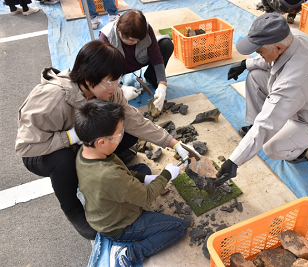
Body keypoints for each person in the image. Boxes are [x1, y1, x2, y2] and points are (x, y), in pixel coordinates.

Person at [15, 40, 197, 240]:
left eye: (118, 80)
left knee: (125, 131)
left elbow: (134, 120)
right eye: (111, 81)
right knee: (64, 161)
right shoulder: (54, 99)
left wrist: (173, 143)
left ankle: (105, 169)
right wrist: (69, 137)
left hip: (84, 142)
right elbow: (26, 147)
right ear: (88, 77)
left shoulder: (108, 92)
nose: (116, 87)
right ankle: (73, 209)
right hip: (43, 152)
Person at [214, 13, 308, 186]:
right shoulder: (293, 37)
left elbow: (266, 123)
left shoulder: (293, 82)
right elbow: (271, 58)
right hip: (299, 98)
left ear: (278, 48)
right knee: (255, 76)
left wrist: (233, 162)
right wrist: (245, 64)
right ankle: (255, 129)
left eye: (259, 50)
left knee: (273, 148)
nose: (257, 52)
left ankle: (300, 149)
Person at [74, 99, 187, 266]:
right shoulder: (109, 175)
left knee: (143, 169)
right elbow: (146, 197)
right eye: (119, 133)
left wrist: (146, 179)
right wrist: (166, 176)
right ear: (102, 142)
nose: (121, 137)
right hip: (118, 226)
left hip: (104, 207)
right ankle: (129, 255)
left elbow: (123, 173)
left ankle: (144, 179)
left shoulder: (86, 152)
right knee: (179, 228)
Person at [99, 9, 174, 108]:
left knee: (166, 45)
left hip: (140, 59)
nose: (135, 42)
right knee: (109, 99)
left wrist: (162, 84)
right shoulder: (106, 36)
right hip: (118, 68)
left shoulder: (145, 28)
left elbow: (156, 56)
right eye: (132, 40)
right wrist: (119, 89)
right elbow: (102, 72)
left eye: (138, 40)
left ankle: (152, 77)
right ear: (120, 31)